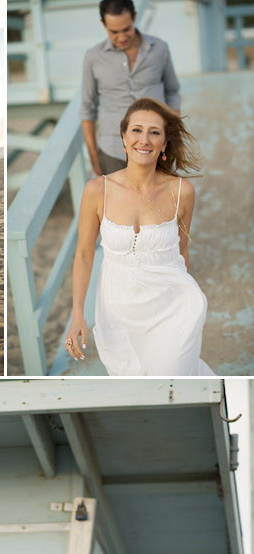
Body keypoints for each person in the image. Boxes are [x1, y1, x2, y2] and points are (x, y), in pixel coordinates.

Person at [66, 99, 215, 375]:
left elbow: (182, 252)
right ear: (123, 137)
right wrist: (77, 316)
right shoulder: (98, 190)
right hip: (117, 313)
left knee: (173, 381)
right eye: (136, 130)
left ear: (164, 144)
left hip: (173, 306)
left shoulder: (182, 191)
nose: (144, 139)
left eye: (154, 132)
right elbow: (84, 255)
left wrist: (183, 297)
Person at [81, 0, 180, 177]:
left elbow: (172, 92)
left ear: (134, 18)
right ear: (103, 24)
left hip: (154, 147)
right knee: (118, 204)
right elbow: (87, 109)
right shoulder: (93, 57)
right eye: (114, 32)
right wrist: (93, 156)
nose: (122, 37)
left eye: (126, 29)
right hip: (113, 151)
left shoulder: (160, 49)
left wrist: (174, 141)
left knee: (156, 202)